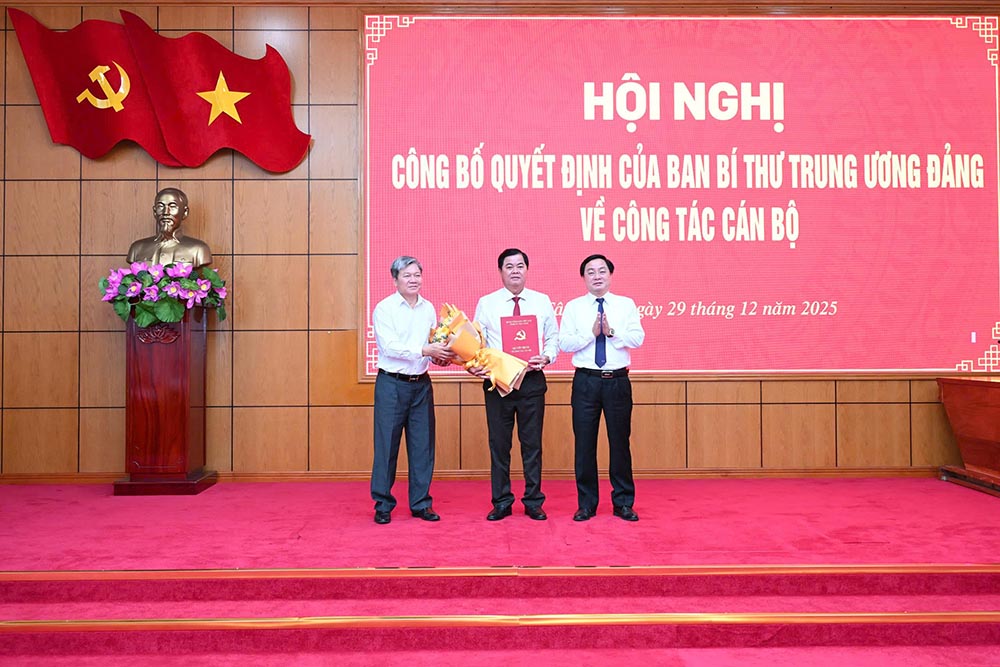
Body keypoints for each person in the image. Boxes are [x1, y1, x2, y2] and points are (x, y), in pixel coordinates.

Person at [470, 249, 558, 521]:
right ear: (501, 272)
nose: (515, 270)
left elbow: (553, 337)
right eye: (509, 266)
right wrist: (474, 364)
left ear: (527, 270)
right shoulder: (487, 303)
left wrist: (547, 356)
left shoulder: (541, 301)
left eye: (520, 265)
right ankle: (501, 501)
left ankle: (533, 501)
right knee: (499, 445)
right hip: (499, 383)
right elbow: (477, 343)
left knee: (532, 445)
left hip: (531, 381)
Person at [558, 254, 645, 522]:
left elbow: (638, 337)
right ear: (583, 277)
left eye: (602, 271)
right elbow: (564, 344)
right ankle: (587, 504)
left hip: (617, 381)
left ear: (610, 274)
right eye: (591, 272)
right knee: (584, 445)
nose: (597, 276)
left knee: (620, 443)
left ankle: (623, 502)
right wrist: (591, 334)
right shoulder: (573, 307)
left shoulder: (626, 305)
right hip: (586, 381)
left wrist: (611, 333)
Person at [371, 256, 453, 525]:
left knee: (422, 446)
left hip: (421, 385)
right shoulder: (384, 309)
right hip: (391, 384)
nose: (414, 279)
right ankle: (383, 504)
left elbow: (431, 345)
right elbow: (389, 347)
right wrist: (424, 350)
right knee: (387, 446)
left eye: (417, 274)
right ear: (395, 279)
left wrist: (439, 356)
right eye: (407, 275)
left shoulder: (429, 308)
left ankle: (420, 503)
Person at [127, 188, 212, 268]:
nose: (165, 212)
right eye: (160, 206)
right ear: (155, 212)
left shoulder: (199, 249)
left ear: (185, 212)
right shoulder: (137, 248)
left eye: (172, 206)